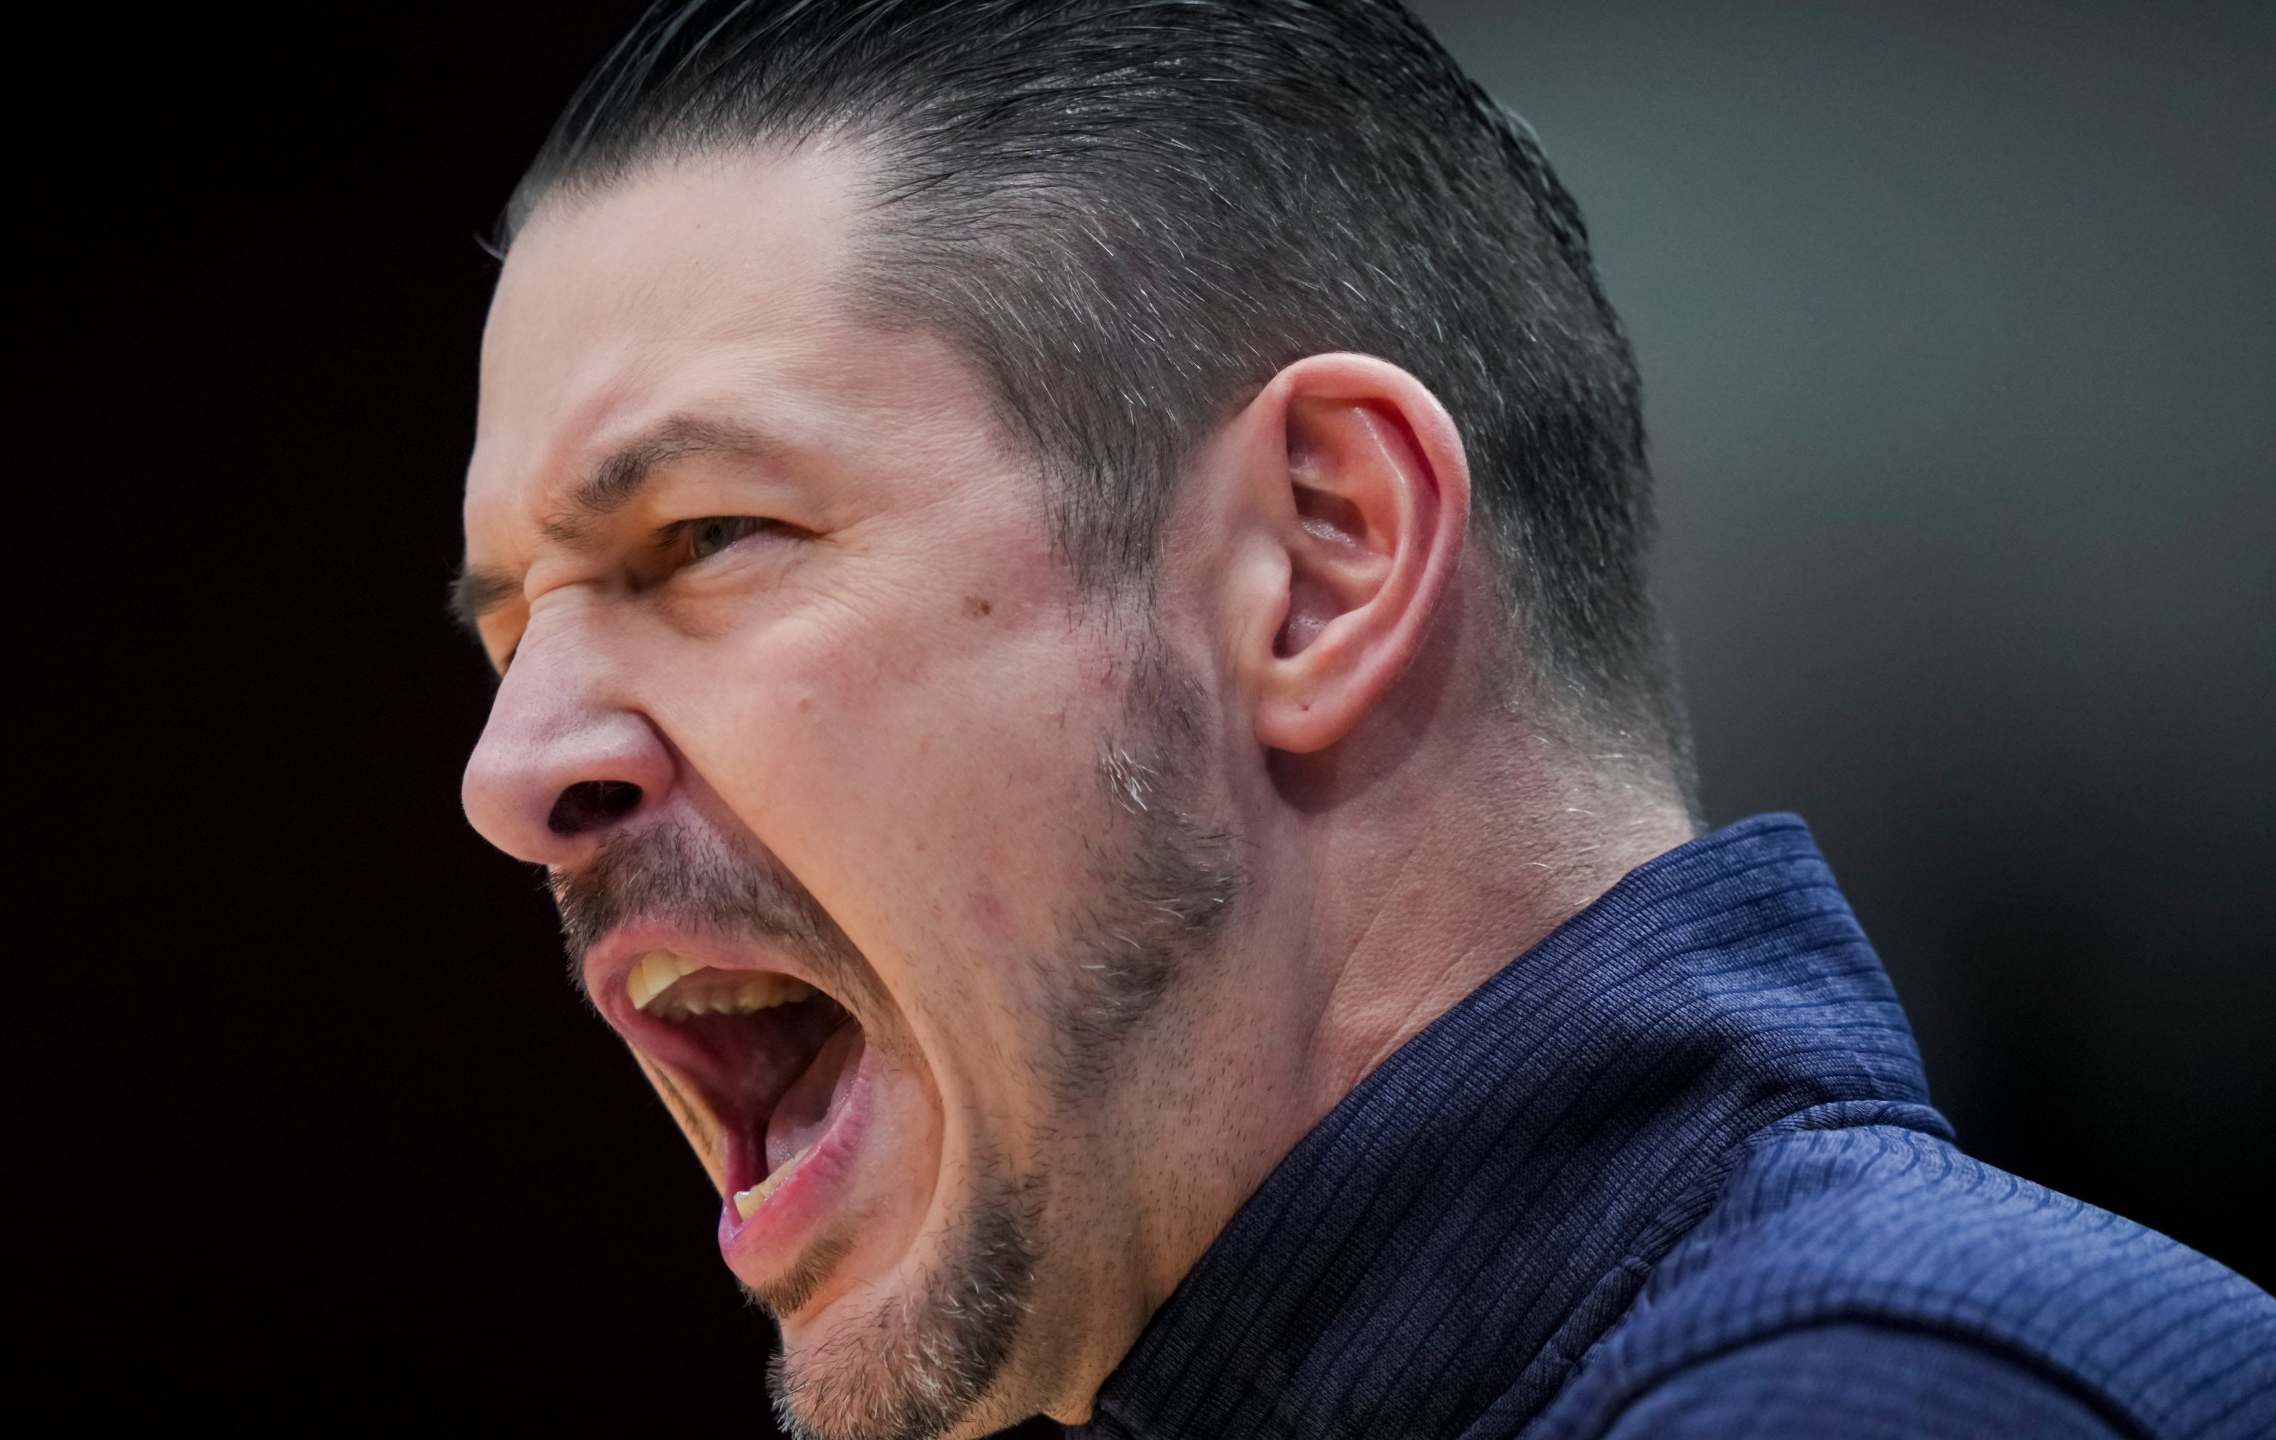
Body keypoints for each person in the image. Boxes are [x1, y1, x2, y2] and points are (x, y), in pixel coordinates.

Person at [447, 3, 2276, 1436]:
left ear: (1319, 560)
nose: (510, 770)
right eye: (511, 627)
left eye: (703, 537)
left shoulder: (1877, 1406)